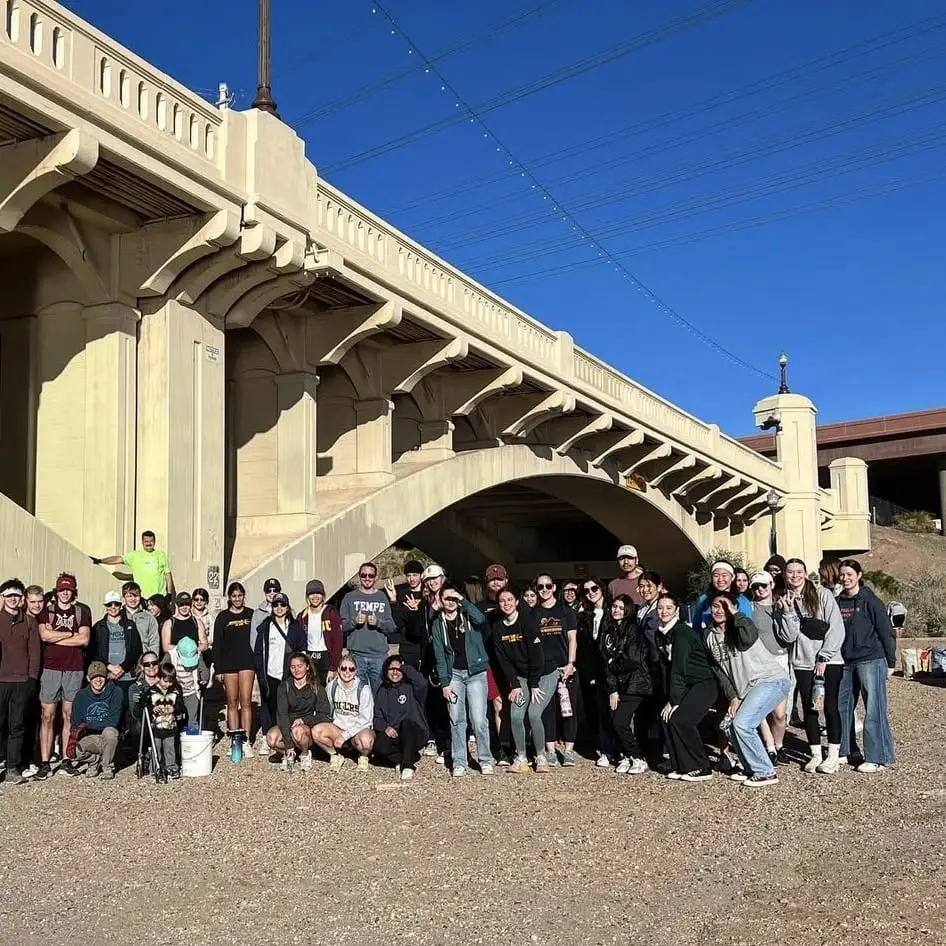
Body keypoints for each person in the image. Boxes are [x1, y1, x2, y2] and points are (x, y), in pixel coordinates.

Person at [702, 592, 794, 788]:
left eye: (724, 606)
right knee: (732, 725)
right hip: (746, 689)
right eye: (715, 606)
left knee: (743, 724)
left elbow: (749, 638)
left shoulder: (741, 627)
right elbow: (719, 670)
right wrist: (733, 697)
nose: (719, 610)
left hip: (770, 680)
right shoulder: (708, 635)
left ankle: (765, 771)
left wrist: (735, 613)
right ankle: (751, 766)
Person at [778, 558, 845, 774]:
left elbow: (836, 627)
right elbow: (788, 637)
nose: (795, 576)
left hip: (829, 660)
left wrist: (824, 657)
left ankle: (833, 754)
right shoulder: (783, 599)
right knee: (809, 708)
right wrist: (787, 612)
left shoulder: (822, 594)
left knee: (830, 707)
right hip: (802, 662)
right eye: (790, 572)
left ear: (806, 573)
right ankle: (815, 753)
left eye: (799, 571)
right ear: (785, 575)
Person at [836, 559, 896, 774]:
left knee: (873, 709)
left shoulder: (870, 601)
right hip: (845, 662)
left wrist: (891, 661)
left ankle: (877, 756)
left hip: (871, 659)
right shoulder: (837, 602)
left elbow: (886, 630)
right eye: (842, 574)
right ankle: (846, 750)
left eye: (849, 574)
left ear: (859, 575)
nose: (845, 578)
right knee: (842, 707)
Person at [490, 587, 555, 774]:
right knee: (516, 715)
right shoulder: (498, 628)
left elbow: (537, 656)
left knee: (534, 713)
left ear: (517, 602)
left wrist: (534, 684)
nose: (507, 603)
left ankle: (541, 756)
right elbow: (503, 660)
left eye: (510, 599)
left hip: (543, 674)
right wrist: (515, 684)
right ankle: (521, 757)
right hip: (520, 677)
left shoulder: (527, 622)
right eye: (502, 601)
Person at [432, 583, 495, 777]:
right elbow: (440, 655)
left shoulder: (468, 615)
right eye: (447, 598)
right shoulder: (438, 623)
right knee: (457, 719)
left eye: (453, 598)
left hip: (475, 672)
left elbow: (481, 619)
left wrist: (463, 601)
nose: (450, 602)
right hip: (454, 675)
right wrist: (445, 683)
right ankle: (460, 761)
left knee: (478, 720)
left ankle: (485, 759)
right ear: (440, 601)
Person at [656, 593, 717, 781]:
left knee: (682, 721)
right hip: (687, 685)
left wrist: (674, 700)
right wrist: (671, 698)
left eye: (668, 607)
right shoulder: (663, 633)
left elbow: (678, 669)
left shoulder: (681, 633)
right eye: (660, 607)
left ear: (676, 610)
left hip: (703, 683)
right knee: (667, 719)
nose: (664, 611)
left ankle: (701, 766)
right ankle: (682, 765)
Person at [37, 573, 91, 780]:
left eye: (68, 589)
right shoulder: (47, 611)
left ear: (74, 591)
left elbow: (84, 639)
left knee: (69, 715)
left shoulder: (81, 612)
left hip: (74, 668)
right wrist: (70, 635)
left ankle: (66, 759)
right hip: (51, 668)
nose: (65, 593)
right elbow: (44, 635)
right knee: (47, 715)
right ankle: (45, 760)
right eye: (61, 589)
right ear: (57, 591)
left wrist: (57, 636)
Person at [600, 594, 651, 775]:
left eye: (621, 608)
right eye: (614, 606)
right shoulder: (607, 630)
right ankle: (625, 755)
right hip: (618, 684)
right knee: (615, 720)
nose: (617, 610)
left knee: (620, 721)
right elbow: (605, 661)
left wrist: (614, 663)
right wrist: (612, 689)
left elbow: (634, 659)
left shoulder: (633, 629)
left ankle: (638, 757)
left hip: (636, 683)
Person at [533, 573, 579, 767]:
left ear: (554, 588)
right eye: (540, 587)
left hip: (565, 667)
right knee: (548, 711)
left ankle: (568, 751)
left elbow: (572, 639)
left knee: (569, 710)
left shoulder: (565, 611)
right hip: (545, 670)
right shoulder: (533, 613)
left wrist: (570, 663)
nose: (544, 590)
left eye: (548, 586)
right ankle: (550, 750)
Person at [0, 579, 41, 785]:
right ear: (2, 598)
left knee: (17, 725)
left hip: (21, 681)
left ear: (22, 598)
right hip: (1, 680)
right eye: (9, 596)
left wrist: (31, 679)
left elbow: (34, 653)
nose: (13, 599)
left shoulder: (29, 622)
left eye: (16, 595)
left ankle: (12, 767)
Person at [255, 591, 306, 757]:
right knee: (268, 706)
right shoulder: (264, 626)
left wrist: (299, 672)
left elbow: (301, 650)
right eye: (276, 604)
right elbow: (258, 651)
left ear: (287, 606)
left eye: (282, 604)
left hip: (287, 674)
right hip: (269, 673)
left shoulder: (295, 627)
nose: (279, 608)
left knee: (285, 709)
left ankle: (285, 741)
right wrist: (259, 671)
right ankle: (269, 739)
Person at [267, 652, 336, 772]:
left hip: (306, 727)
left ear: (307, 666)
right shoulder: (284, 687)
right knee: (271, 738)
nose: (296, 670)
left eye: (300, 666)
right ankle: (289, 753)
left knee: (298, 731)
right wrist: (288, 744)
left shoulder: (316, 687)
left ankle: (305, 753)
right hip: (288, 723)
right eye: (293, 667)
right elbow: (281, 715)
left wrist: (305, 720)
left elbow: (324, 714)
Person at [340, 562, 397, 690]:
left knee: (380, 694)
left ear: (376, 577)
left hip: (379, 656)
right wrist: (354, 622)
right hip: (356, 655)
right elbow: (340, 626)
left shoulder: (382, 597)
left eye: (370, 575)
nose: (367, 578)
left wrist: (378, 623)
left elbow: (392, 627)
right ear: (359, 576)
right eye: (364, 575)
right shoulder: (349, 597)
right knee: (357, 694)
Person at [576, 577, 614, 768]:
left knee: (618, 712)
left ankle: (624, 750)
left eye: (594, 588)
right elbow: (583, 648)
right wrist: (588, 673)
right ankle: (605, 749)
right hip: (595, 672)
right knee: (600, 711)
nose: (591, 592)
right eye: (587, 590)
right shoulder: (584, 616)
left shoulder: (614, 610)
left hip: (614, 670)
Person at [212, 582, 256, 748]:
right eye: (234, 596)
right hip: (228, 664)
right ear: (229, 598)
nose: (237, 599)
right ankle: (234, 739)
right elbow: (217, 644)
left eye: (240, 595)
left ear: (243, 596)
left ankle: (246, 740)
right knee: (231, 701)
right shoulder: (222, 617)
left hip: (247, 662)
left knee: (246, 701)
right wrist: (218, 668)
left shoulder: (252, 614)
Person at [373, 655, 429, 780]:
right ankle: (406, 757)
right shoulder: (382, 691)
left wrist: (403, 667)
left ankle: (408, 766)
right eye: (391, 669)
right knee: (378, 748)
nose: (395, 672)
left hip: (415, 732)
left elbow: (422, 682)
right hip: (395, 733)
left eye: (398, 669)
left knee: (406, 724)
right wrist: (385, 727)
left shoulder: (412, 687)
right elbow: (377, 717)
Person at [67, 661, 123, 780]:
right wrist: (75, 734)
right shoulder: (81, 695)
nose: (98, 680)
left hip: (108, 736)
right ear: (88, 678)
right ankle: (94, 761)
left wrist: (87, 724)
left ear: (107, 676)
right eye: (94, 677)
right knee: (73, 752)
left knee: (110, 732)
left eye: (101, 676)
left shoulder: (116, 692)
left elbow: (113, 721)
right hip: (90, 736)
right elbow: (75, 722)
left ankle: (107, 766)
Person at [89, 590, 143, 709]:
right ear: (105, 606)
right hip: (107, 676)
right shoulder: (98, 627)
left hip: (128, 676)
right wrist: (109, 666)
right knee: (109, 709)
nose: (113, 607)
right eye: (109, 604)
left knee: (128, 711)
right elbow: (93, 652)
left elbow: (136, 649)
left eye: (116, 604)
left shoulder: (130, 625)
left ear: (120, 605)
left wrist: (122, 668)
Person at [326, 658, 375, 771]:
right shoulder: (332, 686)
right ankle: (335, 755)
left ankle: (363, 756)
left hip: (357, 729)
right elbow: (326, 708)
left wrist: (345, 735)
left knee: (366, 741)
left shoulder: (363, 689)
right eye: (343, 668)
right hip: (338, 727)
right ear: (338, 670)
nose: (347, 672)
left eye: (351, 669)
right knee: (317, 731)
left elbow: (366, 720)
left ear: (356, 671)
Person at [92, 530, 172, 599]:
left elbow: (167, 575)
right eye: (146, 541)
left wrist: (169, 594)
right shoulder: (134, 555)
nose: (148, 543)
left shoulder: (161, 555)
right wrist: (100, 561)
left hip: (159, 597)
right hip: (141, 597)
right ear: (142, 542)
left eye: (151, 541)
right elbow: (118, 559)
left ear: (154, 541)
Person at [143, 662, 186, 780]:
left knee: (170, 748)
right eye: (166, 681)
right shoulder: (151, 691)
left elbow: (181, 705)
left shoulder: (176, 691)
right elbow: (146, 706)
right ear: (159, 677)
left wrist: (175, 708)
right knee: (156, 748)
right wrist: (153, 708)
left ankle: (171, 767)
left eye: (171, 681)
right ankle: (156, 767)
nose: (168, 684)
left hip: (170, 726)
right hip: (156, 727)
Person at [295, 579, 343, 680]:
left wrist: (333, 667)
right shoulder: (302, 616)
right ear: (307, 596)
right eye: (312, 593)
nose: (315, 596)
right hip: (309, 656)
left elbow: (337, 642)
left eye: (318, 593)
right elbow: (299, 641)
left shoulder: (331, 613)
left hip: (326, 657)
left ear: (323, 595)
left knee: (325, 691)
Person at [691, 561, 753, 631]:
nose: (720, 580)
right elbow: (696, 626)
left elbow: (748, 628)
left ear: (732, 577)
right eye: (716, 576)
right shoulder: (703, 599)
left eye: (724, 575)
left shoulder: (742, 601)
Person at [160, 591, 208, 656]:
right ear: (177, 605)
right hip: (175, 658)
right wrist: (185, 650)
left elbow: (205, 645)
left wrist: (193, 650)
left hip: (194, 657)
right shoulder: (169, 623)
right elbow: (166, 647)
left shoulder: (197, 622)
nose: (184, 607)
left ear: (191, 605)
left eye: (187, 604)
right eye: (181, 604)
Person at [170, 637, 202, 726]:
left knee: (193, 716)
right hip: (176, 692)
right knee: (176, 716)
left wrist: (204, 679)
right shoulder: (172, 656)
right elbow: (165, 669)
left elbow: (203, 670)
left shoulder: (198, 656)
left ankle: (192, 735)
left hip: (192, 691)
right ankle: (178, 735)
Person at [121, 582, 160, 655]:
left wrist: (152, 660)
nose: (133, 599)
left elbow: (154, 642)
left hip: (143, 658)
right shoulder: (119, 615)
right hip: (122, 658)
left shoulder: (149, 617)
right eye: (129, 596)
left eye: (136, 596)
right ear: (124, 597)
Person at [129, 651, 161, 734]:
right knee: (138, 725)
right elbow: (135, 715)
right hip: (145, 722)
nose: (151, 666)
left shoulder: (165, 684)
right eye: (147, 664)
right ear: (142, 667)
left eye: (154, 663)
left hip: (164, 720)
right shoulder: (135, 687)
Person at [250, 577, 281, 654]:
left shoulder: (289, 611)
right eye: (268, 591)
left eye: (275, 590)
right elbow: (253, 638)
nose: (272, 593)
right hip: (265, 656)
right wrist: (259, 655)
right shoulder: (257, 613)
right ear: (264, 593)